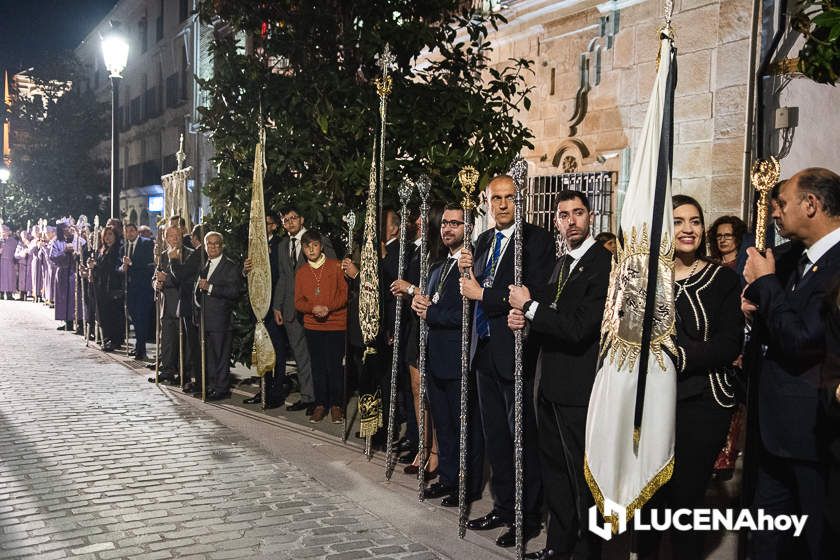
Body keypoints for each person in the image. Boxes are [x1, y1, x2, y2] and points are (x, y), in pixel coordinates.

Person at [632, 195, 744, 560]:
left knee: (687, 495)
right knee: (650, 490)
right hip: (652, 401)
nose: (688, 229)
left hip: (704, 403)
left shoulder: (722, 279)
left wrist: (681, 354)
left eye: (695, 221)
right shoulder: (647, 279)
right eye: (679, 221)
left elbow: (729, 342)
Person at [506, 190, 612, 560]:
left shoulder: (602, 264)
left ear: (590, 216)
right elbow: (548, 319)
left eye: (578, 213)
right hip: (549, 387)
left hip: (581, 390)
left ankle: (586, 551)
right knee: (555, 474)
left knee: (583, 478)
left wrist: (530, 306)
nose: (571, 221)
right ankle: (557, 546)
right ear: (556, 222)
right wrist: (522, 319)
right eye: (563, 215)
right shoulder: (561, 263)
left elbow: (579, 328)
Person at [743, 167, 840, 559]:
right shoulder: (790, 260)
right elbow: (780, 324)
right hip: (775, 430)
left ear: (811, 204)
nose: (775, 213)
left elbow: (803, 341)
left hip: (812, 434)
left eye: (782, 203)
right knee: (766, 537)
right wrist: (755, 308)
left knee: (815, 542)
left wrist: (766, 285)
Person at [459, 174, 554, 548]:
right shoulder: (482, 241)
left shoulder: (537, 240)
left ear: (520, 200)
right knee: (496, 436)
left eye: (509, 198)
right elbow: (471, 287)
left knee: (521, 437)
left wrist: (483, 292)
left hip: (515, 349)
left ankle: (527, 515)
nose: (502, 205)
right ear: (487, 201)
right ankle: (503, 503)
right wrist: (467, 268)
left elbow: (529, 291)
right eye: (495, 198)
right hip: (483, 349)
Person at [412, 203, 484, 506]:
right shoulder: (439, 266)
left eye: (454, 223)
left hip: (457, 359)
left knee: (462, 425)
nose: (447, 229)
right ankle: (448, 477)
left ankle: (467, 485)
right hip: (434, 357)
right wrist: (420, 304)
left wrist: (431, 312)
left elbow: (465, 317)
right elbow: (431, 305)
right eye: (444, 224)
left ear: (467, 229)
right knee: (443, 423)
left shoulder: (471, 267)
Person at [393, 205, 444, 475]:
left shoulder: (440, 253)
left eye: (423, 217)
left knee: (431, 391)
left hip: (433, 327)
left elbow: (438, 292)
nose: (417, 221)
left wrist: (410, 288)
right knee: (416, 389)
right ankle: (422, 447)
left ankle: (436, 451)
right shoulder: (415, 250)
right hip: (414, 326)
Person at [272, 206, 336, 414]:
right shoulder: (283, 246)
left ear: (301, 219)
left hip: (315, 308)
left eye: (293, 218)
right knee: (300, 356)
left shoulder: (318, 239)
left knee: (319, 355)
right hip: (291, 309)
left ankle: (324, 400)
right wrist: (277, 305)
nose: (290, 222)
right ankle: (309, 397)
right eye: (285, 219)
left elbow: (332, 269)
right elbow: (283, 277)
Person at [294, 229, 348, 423]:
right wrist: (312, 308)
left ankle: (336, 405)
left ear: (321, 246)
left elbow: (344, 294)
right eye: (307, 246)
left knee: (334, 367)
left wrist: (328, 308)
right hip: (313, 326)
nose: (311, 249)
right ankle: (320, 404)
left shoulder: (336, 267)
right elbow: (298, 302)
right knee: (317, 366)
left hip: (336, 324)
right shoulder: (301, 273)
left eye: (315, 245)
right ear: (303, 249)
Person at [242, 211, 290, 407]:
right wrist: (245, 269)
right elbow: (249, 272)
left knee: (276, 349)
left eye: (267, 223)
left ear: (274, 226)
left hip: (274, 305)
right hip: (258, 304)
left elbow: (283, 274)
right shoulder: (253, 244)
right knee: (261, 348)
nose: (262, 227)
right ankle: (263, 388)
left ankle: (276, 392)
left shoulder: (280, 245)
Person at [195, 231, 242, 400]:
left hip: (221, 319)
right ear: (205, 246)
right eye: (209, 244)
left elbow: (234, 292)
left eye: (216, 243)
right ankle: (211, 386)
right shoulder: (204, 265)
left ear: (222, 246)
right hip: (205, 319)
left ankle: (221, 389)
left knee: (221, 356)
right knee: (209, 356)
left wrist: (211, 288)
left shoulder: (230, 266)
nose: (213, 246)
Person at [151, 226, 193, 384]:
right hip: (166, 305)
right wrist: (156, 284)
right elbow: (156, 276)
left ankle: (185, 373)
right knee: (168, 340)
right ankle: (167, 370)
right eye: (171, 236)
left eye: (177, 235)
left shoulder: (189, 254)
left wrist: (166, 279)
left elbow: (184, 278)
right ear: (166, 238)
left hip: (182, 303)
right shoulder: (162, 256)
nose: (174, 239)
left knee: (185, 343)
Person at [120, 223, 155, 360]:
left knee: (142, 318)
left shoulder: (146, 243)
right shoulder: (124, 247)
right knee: (134, 318)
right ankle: (138, 347)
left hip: (143, 288)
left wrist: (132, 263)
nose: (129, 234)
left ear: (136, 232)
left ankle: (141, 349)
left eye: (132, 231)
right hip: (130, 289)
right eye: (127, 231)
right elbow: (120, 267)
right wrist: (123, 267)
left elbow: (150, 263)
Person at [89, 225, 125, 351]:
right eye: (106, 235)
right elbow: (99, 270)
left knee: (114, 314)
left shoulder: (118, 250)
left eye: (110, 234)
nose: (108, 238)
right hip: (102, 287)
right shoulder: (102, 250)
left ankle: (115, 340)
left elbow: (113, 269)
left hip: (113, 287)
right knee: (103, 314)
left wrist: (97, 267)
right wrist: (92, 268)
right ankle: (107, 338)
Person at [49, 222, 82, 330]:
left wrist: (76, 254)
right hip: (63, 271)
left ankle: (80, 321)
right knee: (64, 297)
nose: (68, 230)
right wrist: (64, 251)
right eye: (65, 229)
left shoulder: (77, 239)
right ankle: (67, 321)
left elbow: (84, 250)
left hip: (74, 271)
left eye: (68, 228)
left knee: (76, 297)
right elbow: (52, 256)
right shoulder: (56, 242)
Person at [1, 225, 19, 300]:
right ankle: (1, 294)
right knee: (1, 278)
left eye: (6, 231)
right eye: (3, 231)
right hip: (1, 261)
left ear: (9, 232)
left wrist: (16, 262)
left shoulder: (13, 241)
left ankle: (9, 294)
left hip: (10, 262)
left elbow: (17, 251)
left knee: (10, 278)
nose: (4, 232)